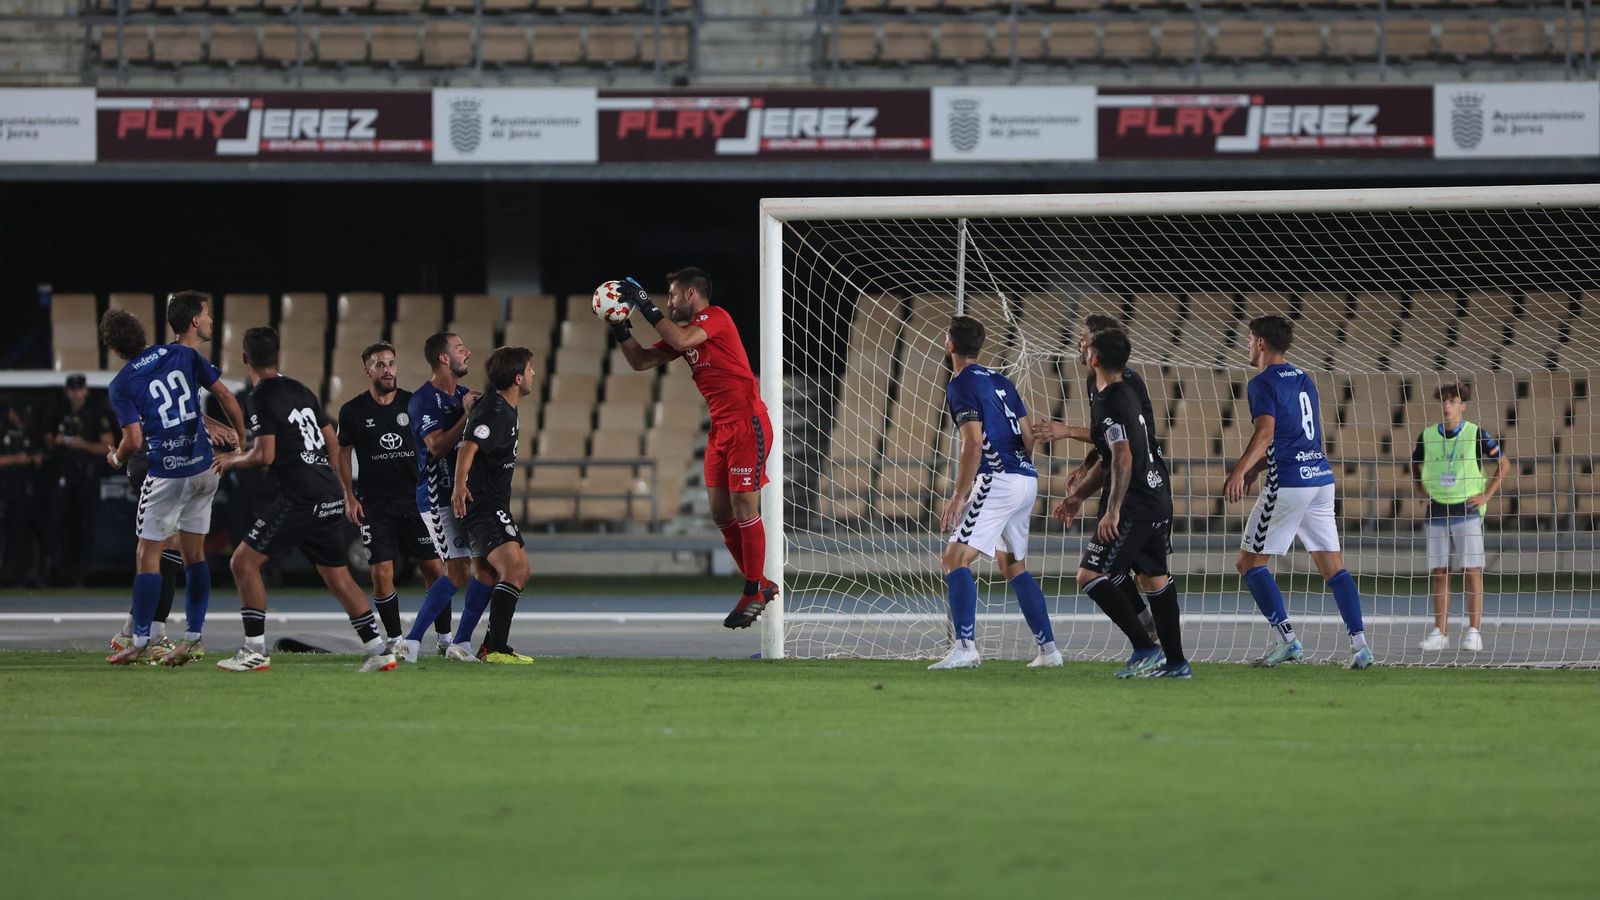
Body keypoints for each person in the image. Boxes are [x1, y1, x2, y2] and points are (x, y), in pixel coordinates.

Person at [214, 327, 398, 673]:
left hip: (301, 495)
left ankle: (254, 650)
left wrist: (231, 460)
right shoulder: (300, 389)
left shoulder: (259, 397)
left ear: (245, 359)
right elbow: (332, 439)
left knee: (242, 563)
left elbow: (264, 455)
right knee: (338, 577)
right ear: (278, 356)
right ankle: (379, 649)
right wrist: (323, 475)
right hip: (326, 491)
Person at [611, 268, 777, 629]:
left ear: (690, 295)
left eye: (670, 296)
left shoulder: (715, 318)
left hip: (747, 423)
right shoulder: (683, 334)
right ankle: (759, 583)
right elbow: (640, 361)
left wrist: (644, 305)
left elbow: (684, 342)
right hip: (720, 431)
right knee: (720, 514)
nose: (667, 302)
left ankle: (753, 587)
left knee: (745, 504)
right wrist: (620, 327)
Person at [103, 294, 249, 667]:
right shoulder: (180, 355)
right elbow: (224, 396)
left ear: (116, 350)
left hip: (167, 472)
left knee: (147, 554)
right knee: (194, 555)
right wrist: (241, 442)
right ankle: (195, 636)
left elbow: (133, 440)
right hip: (205, 467)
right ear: (143, 333)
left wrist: (117, 457)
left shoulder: (122, 383)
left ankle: (139, 639)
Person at [1223, 314, 1372, 670]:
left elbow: (1267, 435)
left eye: (1248, 339)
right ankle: (1360, 645)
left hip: (1289, 483)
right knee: (1333, 567)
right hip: (1320, 477)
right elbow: (1301, 436)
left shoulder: (1261, 383)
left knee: (1249, 563)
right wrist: (1255, 470)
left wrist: (1239, 471)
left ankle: (1288, 641)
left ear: (1260, 343)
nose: (1246, 345)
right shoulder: (1304, 377)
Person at [928, 316, 1057, 670]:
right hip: (1026, 478)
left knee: (955, 560)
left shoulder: (960, 384)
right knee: (1013, 565)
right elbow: (1029, 436)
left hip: (998, 479)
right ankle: (1049, 651)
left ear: (950, 345)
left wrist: (958, 495)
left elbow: (971, 444)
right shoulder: (1001, 380)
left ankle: (966, 646)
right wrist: (1016, 469)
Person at [1032, 313, 1161, 646]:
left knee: (1108, 572)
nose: (1079, 341)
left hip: (1137, 485)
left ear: (1098, 345)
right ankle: (1157, 640)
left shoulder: (1125, 383)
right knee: (1135, 571)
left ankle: (1151, 645)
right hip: (1124, 481)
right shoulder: (1096, 380)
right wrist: (1086, 464)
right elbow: (1107, 435)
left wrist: (1066, 432)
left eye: (1084, 336)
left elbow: (1124, 445)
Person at [1071, 329, 1188, 678]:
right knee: (1154, 579)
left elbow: (1122, 453)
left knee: (1090, 574)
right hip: (1156, 496)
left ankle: (1145, 648)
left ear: (1095, 358)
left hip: (1135, 503)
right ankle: (1177, 663)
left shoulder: (1109, 401)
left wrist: (1113, 509)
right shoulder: (1129, 390)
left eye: (1086, 343)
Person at [335, 341, 455, 655]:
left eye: (391, 364)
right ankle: (395, 640)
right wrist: (349, 496)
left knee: (434, 571)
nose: (387, 370)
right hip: (375, 504)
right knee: (380, 572)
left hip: (416, 500)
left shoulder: (413, 403)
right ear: (367, 370)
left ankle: (444, 639)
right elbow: (343, 454)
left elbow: (438, 443)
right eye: (380, 365)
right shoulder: (352, 411)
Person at [396, 332, 488, 663]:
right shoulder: (422, 399)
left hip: (466, 496)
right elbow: (435, 447)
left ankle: (460, 644)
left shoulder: (466, 395)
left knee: (487, 568)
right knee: (459, 572)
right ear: (444, 358)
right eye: (461, 349)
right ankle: (412, 640)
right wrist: (466, 416)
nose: (469, 353)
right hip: (436, 497)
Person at [449, 346, 538, 665]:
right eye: (529, 369)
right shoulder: (496, 410)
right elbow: (468, 448)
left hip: (493, 503)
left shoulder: (501, 408)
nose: (532, 374)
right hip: (484, 505)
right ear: (517, 378)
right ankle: (495, 648)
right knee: (515, 570)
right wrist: (459, 486)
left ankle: (470, 644)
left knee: (491, 574)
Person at [1412, 381, 1509, 652]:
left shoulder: (1476, 434)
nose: (1447, 406)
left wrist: (1487, 495)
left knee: (1472, 571)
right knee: (1440, 572)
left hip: (1466, 510)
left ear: (1462, 406)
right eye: (1443, 401)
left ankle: (1474, 631)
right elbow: (1414, 463)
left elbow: (1504, 463)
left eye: (1452, 401)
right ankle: (1440, 632)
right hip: (1437, 509)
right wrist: (1420, 489)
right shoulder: (1428, 435)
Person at [43, 373, 110, 586]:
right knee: (57, 522)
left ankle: (81, 574)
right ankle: (55, 571)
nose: (75, 394)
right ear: (67, 391)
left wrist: (82, 444)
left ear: (85, 391)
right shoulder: (58, 411)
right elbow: (47, 441)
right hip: (61, 474)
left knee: (84, 523)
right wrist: (57, 441)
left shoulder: (96, 413)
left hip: (86, 475)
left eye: (79, 389)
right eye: (72, 389)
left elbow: (107, 446)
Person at [0, 400, 45, 588]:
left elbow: (37, 455)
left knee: (21, 535)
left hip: (24, 491)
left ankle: (18, 575)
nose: (22, 420)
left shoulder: (28, 434)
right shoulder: (2, 430)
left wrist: (35, 459)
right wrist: (15, 459)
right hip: (4, 489)